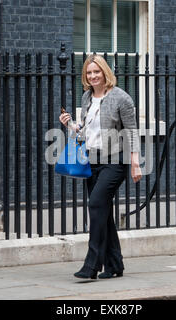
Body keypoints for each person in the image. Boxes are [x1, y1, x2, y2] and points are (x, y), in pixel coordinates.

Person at [59, 54, 142, 280]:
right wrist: (71, 125)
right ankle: (115, 265)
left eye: (97, 71)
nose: (93, 76)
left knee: (96, 204)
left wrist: (135, 162)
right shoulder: (87, 97)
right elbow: (86, 130)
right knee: (103, 214)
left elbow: (132, 131)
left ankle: (92, 264)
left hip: (114, 162)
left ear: (105, 72)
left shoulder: (121, 98)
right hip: (91, 161)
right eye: (89, 72)